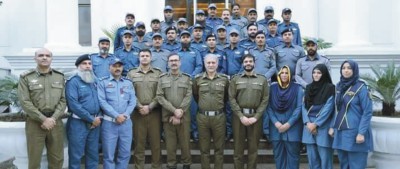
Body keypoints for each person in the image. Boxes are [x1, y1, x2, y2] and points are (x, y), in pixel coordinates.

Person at [17, 48, 67, 169]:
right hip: (35, 123)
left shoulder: (59, 76)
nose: (44, 57)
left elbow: (63, 100)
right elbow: (25, 101)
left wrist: (53, 118)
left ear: (51, 58)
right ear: (35, 58)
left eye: (47, 55)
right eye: (40, 55)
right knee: (34, 160)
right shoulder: (26, 77)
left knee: (57, 159)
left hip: (56, 122)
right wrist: (43, 119)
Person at [329, 60, 373, 169]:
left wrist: (361, 132)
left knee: (356, 165)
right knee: (344, 165)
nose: (346, 70)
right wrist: (332, 126)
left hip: (355, 132)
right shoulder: (339, 86)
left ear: (354, 70)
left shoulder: (361, 87)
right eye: (343, 68)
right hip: (340, 132)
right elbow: (337, 109)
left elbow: (367, 112)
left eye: (349, 68)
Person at [229, 54, 269, 169]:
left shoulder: (262, 79)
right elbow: (231, 98)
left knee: (253, 149)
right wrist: (241, 116)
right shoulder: (235, 79)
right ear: (243, 63)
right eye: (246, 61)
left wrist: (256, 117)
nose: (248, 63)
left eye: (250, 61)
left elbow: (265, 99)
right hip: (239, 117)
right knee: (238, 149)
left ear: (254, 63)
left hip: (255, 117)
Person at [97, 58, 136, 169]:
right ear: (109, 67)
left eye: (119, 66)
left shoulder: (128, 83)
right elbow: (102, 101)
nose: (117, 68)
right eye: (114, 66)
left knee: (125, 153)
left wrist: (125, 115)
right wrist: (116, 115)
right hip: (109, 124)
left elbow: (133, 101)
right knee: (108, 155)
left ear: (122, 68)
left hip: (126, 123)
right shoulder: (103, 82)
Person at [127, 49, 162, 169]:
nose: (145, 58)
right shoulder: (131, 74)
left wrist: (150, 106)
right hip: (138, 113)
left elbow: (160, 94)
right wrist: (140, 106)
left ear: (151, 57)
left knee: (156, 144)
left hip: (154, 113)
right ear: (139, 58)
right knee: (139, 144)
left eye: (147, 55)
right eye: (142, 56)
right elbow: (129, 93)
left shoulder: (158, 73)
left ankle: (156, 167)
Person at [156, 53, 193, 169]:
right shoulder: (162, 79)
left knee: (185, 145)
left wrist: (180, 112)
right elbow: (159, 96)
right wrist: (174, 111)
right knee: (170, 146)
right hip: (168, 118)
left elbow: (189, 96)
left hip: (184, 117)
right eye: (171, 60)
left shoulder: (187, 78)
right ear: (168, 63)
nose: (173, 63)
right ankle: (171, 165)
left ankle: (186, 164)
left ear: (180, 62)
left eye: (176, 60)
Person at [193, 54, 229, 169]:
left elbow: (226, 97)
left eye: (213, 62)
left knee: (219, 149)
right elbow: (195, 95)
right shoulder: (198, 79)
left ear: (217, 64)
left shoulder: (224, 79)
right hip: (203, 117)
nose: (211, 65)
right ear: (204, 64)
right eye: (208, 63)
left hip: (219, 117)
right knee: (204, 150)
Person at [66, 54, 101, 169]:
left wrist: (97, 118)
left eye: (89, 64)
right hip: (78, 124)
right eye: (84, 64)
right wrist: (91, 119)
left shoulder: (94, 81)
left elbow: (100, 100)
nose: (87, 66)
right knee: (76, 156)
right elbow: (73, 104)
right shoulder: (73, 82)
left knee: (93, 155)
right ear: (78, 66)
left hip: (95, 124)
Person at [267, 65, 303, 169]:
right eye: (281, 73)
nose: (284, 75)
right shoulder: (272, 88)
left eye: (286, 73)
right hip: (276, 129)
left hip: (293, 129)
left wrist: (288, 124)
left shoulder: (298, 88)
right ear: (278, 74)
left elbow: (299, 108)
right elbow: (268, 107)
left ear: (290, 75)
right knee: (278, 157)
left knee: (293, 158)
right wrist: (276, 123)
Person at [302, 64, 335, 169]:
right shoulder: (308, 87)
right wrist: (307, 123)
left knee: (325, 160)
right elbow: (303, 107)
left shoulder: (330, 88)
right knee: (312, 160)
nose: (316, 75)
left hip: (323, 126)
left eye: (319, 73)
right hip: (308, 126)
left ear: (324, 74)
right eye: (314, 72)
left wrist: (316, 124)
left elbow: (328, 108)